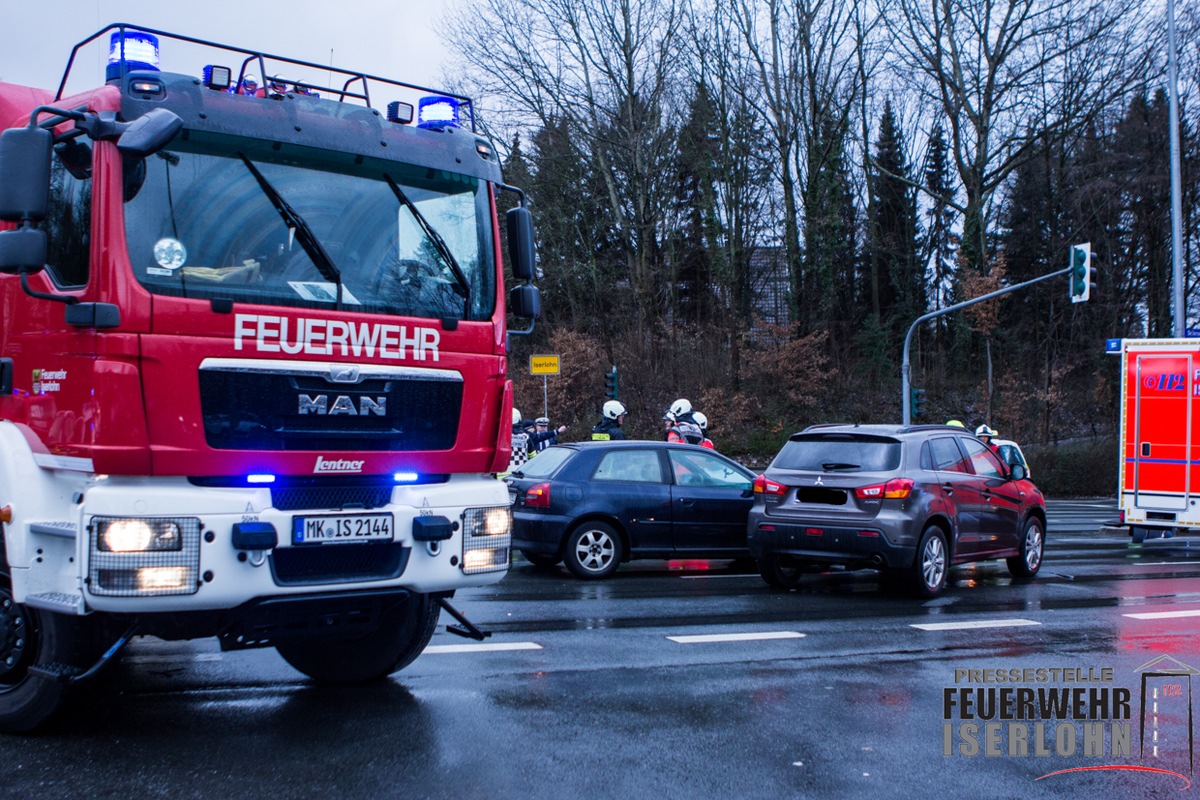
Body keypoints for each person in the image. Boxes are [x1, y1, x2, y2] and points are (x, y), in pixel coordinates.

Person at [506, 408, 530, 474]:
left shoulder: (502, 437)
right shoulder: (525, 436)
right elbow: (532, 455)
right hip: (521, 472)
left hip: (503, 473)